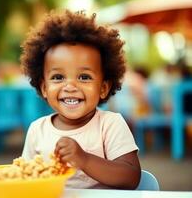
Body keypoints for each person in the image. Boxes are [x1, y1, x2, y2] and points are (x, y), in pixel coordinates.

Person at [20, 10, 141, 189]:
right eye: (58, 77)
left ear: (103, 88)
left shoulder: (109, 125)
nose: (70, 86)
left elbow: (131, 177)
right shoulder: (37, 130)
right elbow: (25, 177)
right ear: (44, 88)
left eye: (84, 77)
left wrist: (84, 159)